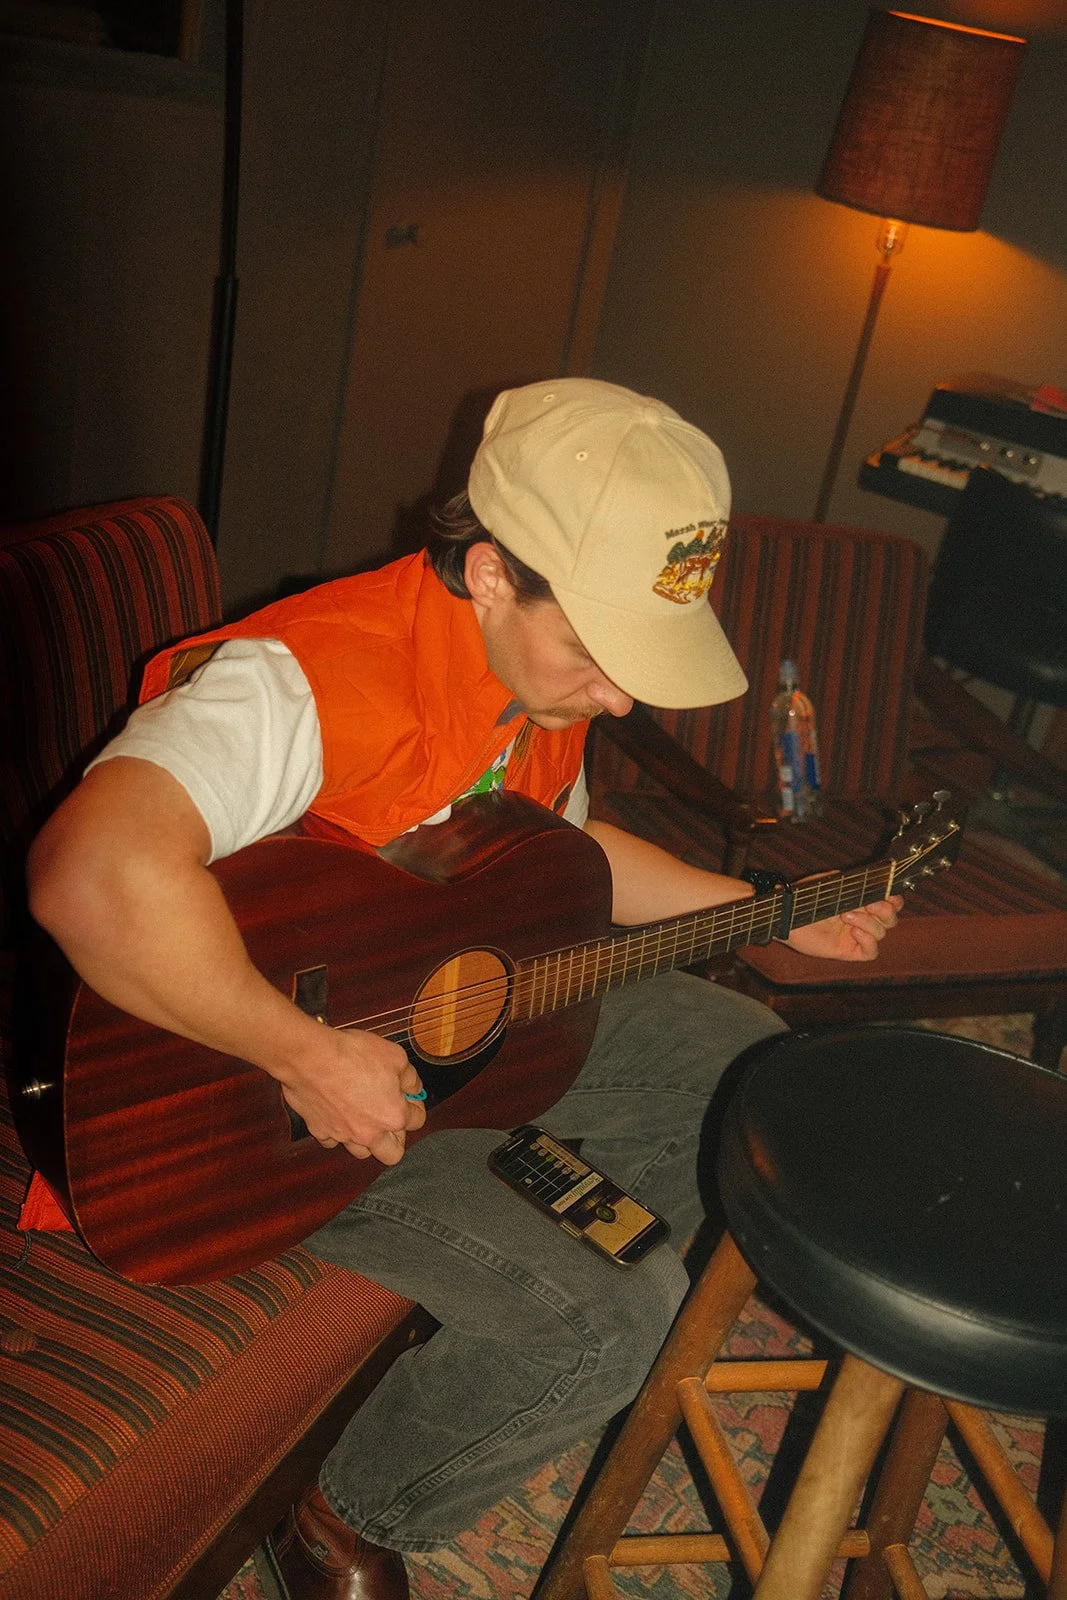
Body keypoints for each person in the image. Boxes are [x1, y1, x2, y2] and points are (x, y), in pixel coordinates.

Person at [27, 379, 901, 1600]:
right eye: (595, 651)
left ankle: (482, 1286)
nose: (619, 697)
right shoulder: (302, 682)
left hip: (417, 1038)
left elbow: (567, 858)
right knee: (608, 1314)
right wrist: (299, 1049)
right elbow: (86, 874)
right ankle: (344, 1511)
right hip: (225, 1113)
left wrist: (771, 912)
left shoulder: (528, 685)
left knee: (738, 1063)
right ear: (489, 573)